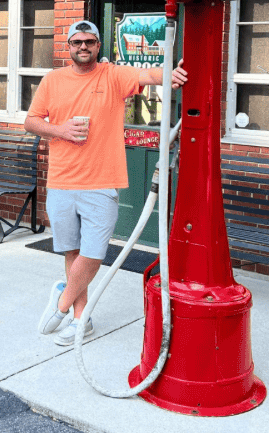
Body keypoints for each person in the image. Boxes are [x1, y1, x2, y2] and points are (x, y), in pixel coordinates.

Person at [24, 19, 187, 346]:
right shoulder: (53, 80)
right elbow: (31, 121)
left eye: (89, 42)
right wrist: (61, 130)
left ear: (99, 46)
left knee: (94, 252)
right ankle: (81, 320)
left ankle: (61, 301)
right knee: (71, 250)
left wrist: (171, 74)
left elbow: (150, 75)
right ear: (68, 46)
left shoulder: (113, 74)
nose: (83, 47)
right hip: (61, 180)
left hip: (101, 181)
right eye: (77, 42)